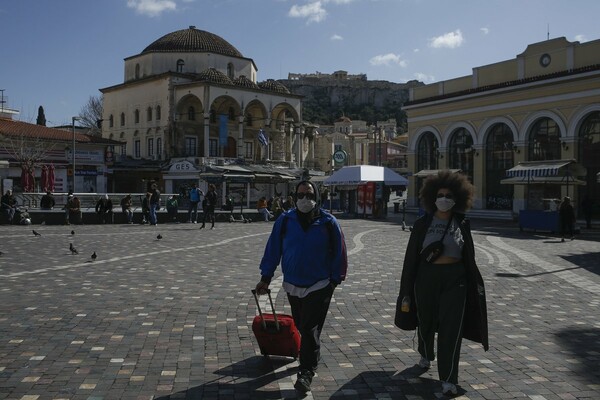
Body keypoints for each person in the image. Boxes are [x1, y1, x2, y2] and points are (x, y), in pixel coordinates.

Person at [396, 170, 488, 396]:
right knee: (426, 322)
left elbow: (469, 256)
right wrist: (406, 290)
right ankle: (426, 354)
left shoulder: (462, 223)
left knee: (451, 329)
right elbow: (411, 259)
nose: (444, 199)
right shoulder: (422, 223)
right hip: (426, 277)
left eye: (448, 195)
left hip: (455, 280)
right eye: (440, 195)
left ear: (457, 198)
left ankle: (449, 379)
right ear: (432, 197)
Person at [255, 181, 347, 394]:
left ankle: (305, 372)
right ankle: (312, 354)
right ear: (295, 197)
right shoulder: (285, 221)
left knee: (308, 327)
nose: (305, 199)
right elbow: (273, 249)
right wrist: (265, 277)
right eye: (301, 194)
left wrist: (334, 280)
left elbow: (339, 252)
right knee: (301, 324)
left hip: (320, 284)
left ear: (317, 196)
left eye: (309, 194)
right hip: (293, 284)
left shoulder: (328, 222)